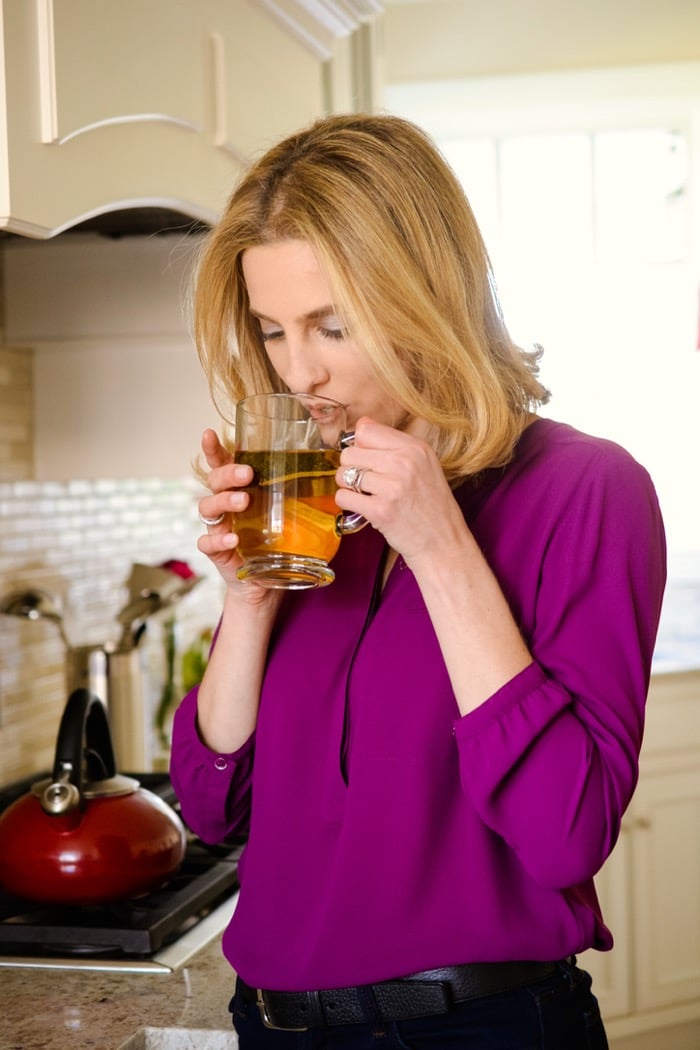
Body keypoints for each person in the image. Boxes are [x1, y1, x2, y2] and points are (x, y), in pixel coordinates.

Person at [169, 113, 667, 1049]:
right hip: (272, 1026)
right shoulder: (309, 502)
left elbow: (567, 834)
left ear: (426, 298)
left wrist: (441, 550)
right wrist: (249, 598)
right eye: (273, 331)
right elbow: (211, 807)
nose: (299, 370)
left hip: (478, 1028)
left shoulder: (586, 489)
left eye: (332, 325)